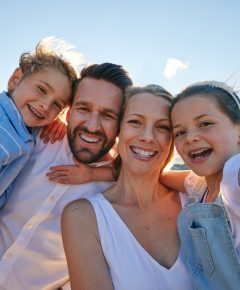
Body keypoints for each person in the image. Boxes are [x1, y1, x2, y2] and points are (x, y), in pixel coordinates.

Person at [0, 62, 133, 289]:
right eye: (83, 108)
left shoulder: (121, 192)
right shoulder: (34, 137)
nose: (92, 126)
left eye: (108, 115)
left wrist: (96, 173)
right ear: (68, 111)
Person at [61, 85, 194, 290]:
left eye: (163, 127)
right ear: (118, 131)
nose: (147, 136)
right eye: (135, 122)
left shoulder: (196, 200)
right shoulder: (83, 217)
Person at [170, 81, 240, 290]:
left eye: (205, 123)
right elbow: (161, 176)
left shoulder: (234, 174)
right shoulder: (201, 186)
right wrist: (105, 171)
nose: (190, 137)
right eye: (180, 132)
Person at [0, 36, 82, 209]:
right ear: (16, 79)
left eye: (57, 105)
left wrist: (56, 121)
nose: (45, 106)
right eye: (42, 89)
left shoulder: (26, 127)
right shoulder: (3, 123)